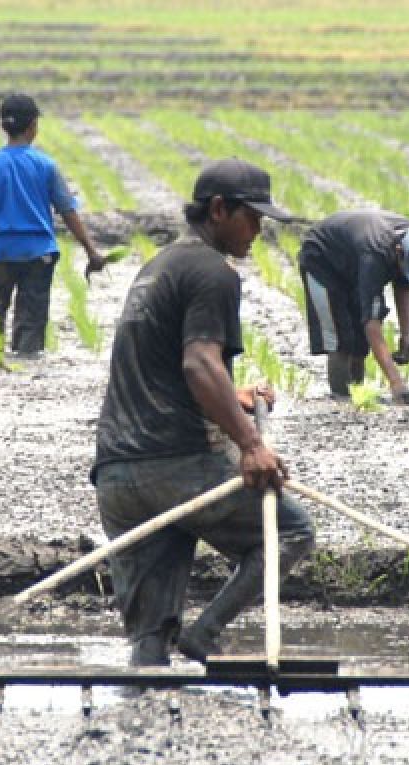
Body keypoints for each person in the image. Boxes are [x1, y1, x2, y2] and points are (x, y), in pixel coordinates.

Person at [91, 158, 315, 667]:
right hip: (176, 462)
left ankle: (147, 722)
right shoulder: (213, 273)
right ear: (219, 210)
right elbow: (198, 363)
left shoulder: (159, 267)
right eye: (252, 217)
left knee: (150, 634)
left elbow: (166, 366)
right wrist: (252, 444)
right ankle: (205, 634)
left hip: (118, 474)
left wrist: (228, 396)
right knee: (291, 533)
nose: (258, 230)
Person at [0, 93, 105, 357]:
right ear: (34, 125)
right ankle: (25, 368)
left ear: (3, 126)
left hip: (1, 252)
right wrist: (91, 251)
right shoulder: (45, 165)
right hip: (39, 254)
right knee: (31, 323)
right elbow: (68, 211)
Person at [297, 210, 409, 405]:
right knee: (340, 337)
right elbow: (372, 324)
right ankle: (341, 396)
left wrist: (407, 335)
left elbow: (404, 285)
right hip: (322, 260)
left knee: (360, 343)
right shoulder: (375, 253)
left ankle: (357, 392)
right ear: (400, 252)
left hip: (353, 261)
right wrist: (396, 383)